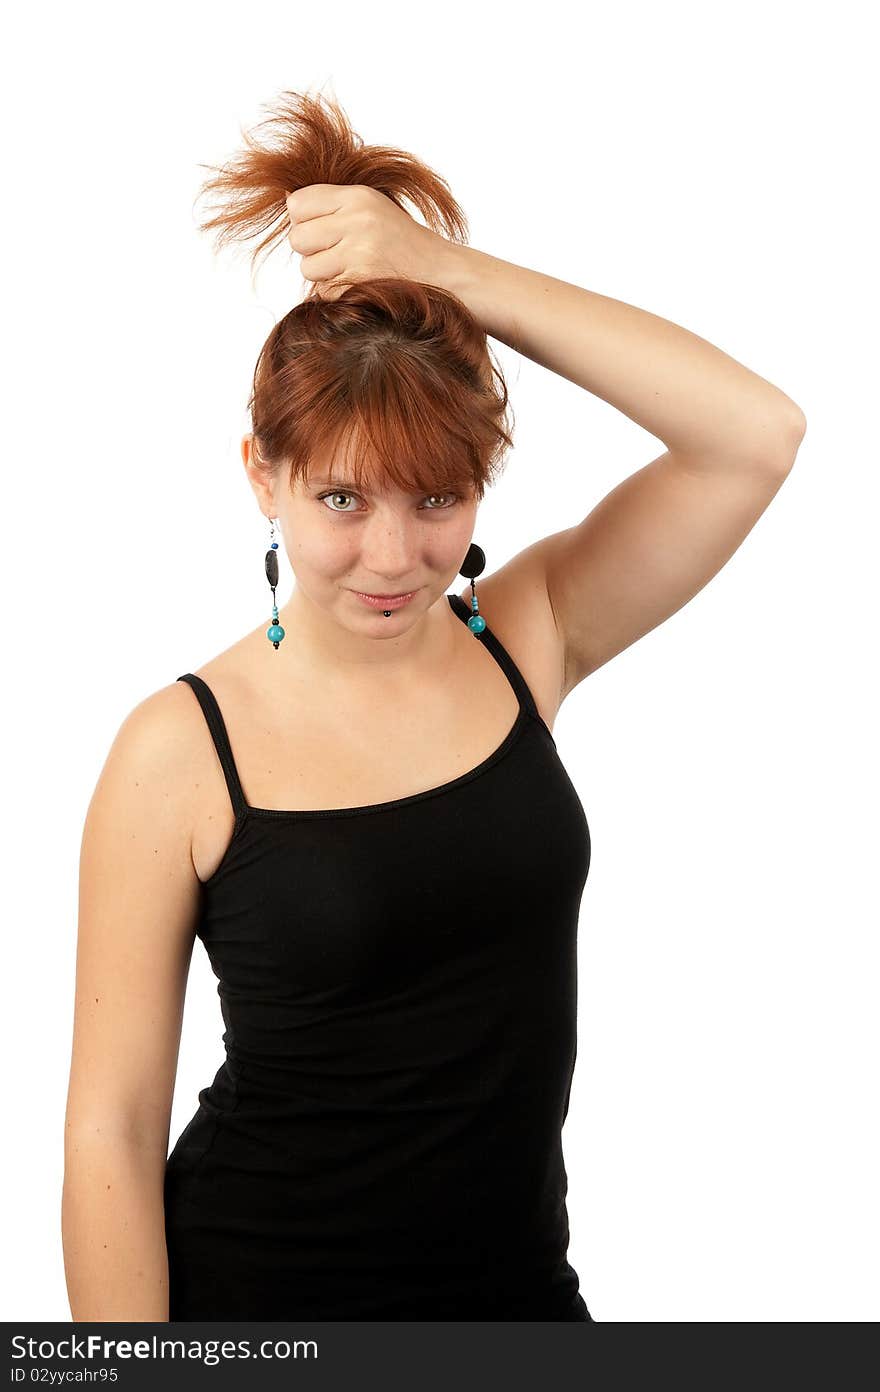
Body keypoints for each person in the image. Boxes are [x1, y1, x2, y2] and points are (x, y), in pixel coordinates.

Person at [61, 89, 806, 1322]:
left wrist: (442, 270)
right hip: (260, 1317)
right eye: (344, 501)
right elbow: (112, 1126)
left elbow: (754, 436)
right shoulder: (179, 749)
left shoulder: (530, 631)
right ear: (264, 476)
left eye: (436, 498)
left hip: (520, 1305)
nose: (396, 556)